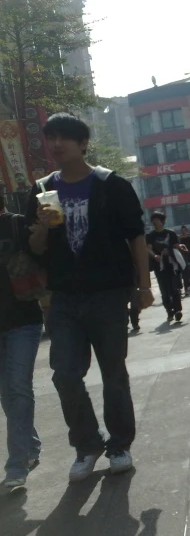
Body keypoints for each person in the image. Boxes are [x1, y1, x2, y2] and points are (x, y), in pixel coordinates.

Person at [27, 112, 153, 481]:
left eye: (65, 137)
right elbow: (34, 248)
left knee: (113, 374)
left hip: (108, 295)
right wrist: (38, 228)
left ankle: (119, 445)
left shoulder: (110, 185)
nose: (56, 144)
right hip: (64, 298)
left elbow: (137, 237)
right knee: (64, 375)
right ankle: (87, 445)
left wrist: (143, 287)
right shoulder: (40, 189)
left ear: (83, 144)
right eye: (51, 138)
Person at [0, 201, 43, 491]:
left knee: (18, 387)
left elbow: (41, 257)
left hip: (23, 320)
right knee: (6, 393)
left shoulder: (15, 224)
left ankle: (16, 465)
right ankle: (30, 445)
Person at [147, 212, 183, 322]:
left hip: (172, 265)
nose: (154, 222)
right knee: (164, 290)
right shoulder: (150, 236)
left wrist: (181, 247)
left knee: (174, 288)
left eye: (157, 219)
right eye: (153, 220)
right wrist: (154, 255)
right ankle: (169, 311)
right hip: (159, 266)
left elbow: (176, 246)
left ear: (162, 221)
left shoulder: (171, 233)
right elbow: (148, 248)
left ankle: (177, 310)